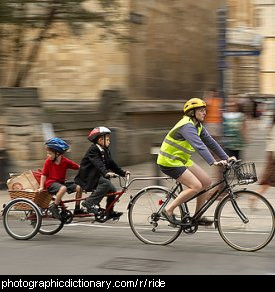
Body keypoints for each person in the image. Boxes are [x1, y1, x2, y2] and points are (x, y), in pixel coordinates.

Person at [157, 98, 234, 226]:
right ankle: (168, 210)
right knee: (196, 186)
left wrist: (226, 157)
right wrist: (213, 162)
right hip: (169, 161)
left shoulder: (197, 126)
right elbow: (199, 146)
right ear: (192, 112)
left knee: (206, 182)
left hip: (181, 160)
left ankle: (197, 216)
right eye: (201, 110)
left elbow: (211, 142)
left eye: (205, 110)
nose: (204, 113)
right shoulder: (186, 126)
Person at [75, 126, 130, 220]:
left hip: (97, 176)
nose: (109, 141)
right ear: (100, 140)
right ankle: (89, 203)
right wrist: (106, 173)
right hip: (88, 177)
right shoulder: (93, 149)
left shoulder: (105, 150)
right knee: (106, 183)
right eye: (107, 139)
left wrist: (123, 173)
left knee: (112, 189)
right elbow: (98, 163)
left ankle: (109, 211)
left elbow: (111, 163)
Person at [38, 137, 85, 219]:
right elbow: (43, 174)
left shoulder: (65, 161)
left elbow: (77, 167)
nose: (47, 155)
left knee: (79, 187)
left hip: (61, 182)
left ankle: (77, 209)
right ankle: (54, 206)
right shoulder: (48, 162)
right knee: (63, 188)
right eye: (47, 153)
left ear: (58, 153)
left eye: (49, 153)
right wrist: (41, 187)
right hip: (50, 183)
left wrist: (87, 169)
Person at [251, 113, 275, 208]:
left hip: (271, 154)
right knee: (268, 181)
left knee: (268, 181)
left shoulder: (272, 124)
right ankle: (254, 197)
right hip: (273, 155)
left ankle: (254, 197)